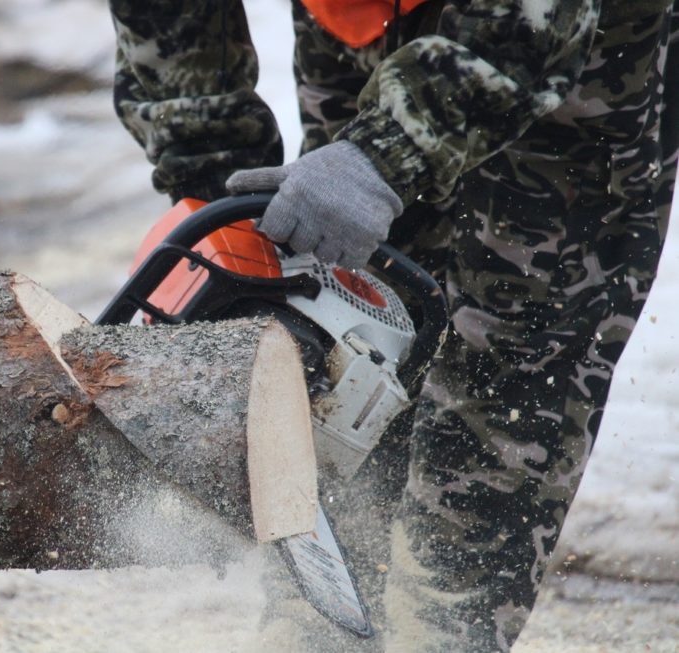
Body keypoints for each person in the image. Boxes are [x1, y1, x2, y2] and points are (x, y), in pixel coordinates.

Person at [109, 0, 677, 650]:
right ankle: (316, 630)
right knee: (343, 362)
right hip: (361, 21)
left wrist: (384, 154)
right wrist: (214, 175)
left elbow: (533, 24)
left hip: (565, 49)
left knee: (500, 399)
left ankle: (442, 632)